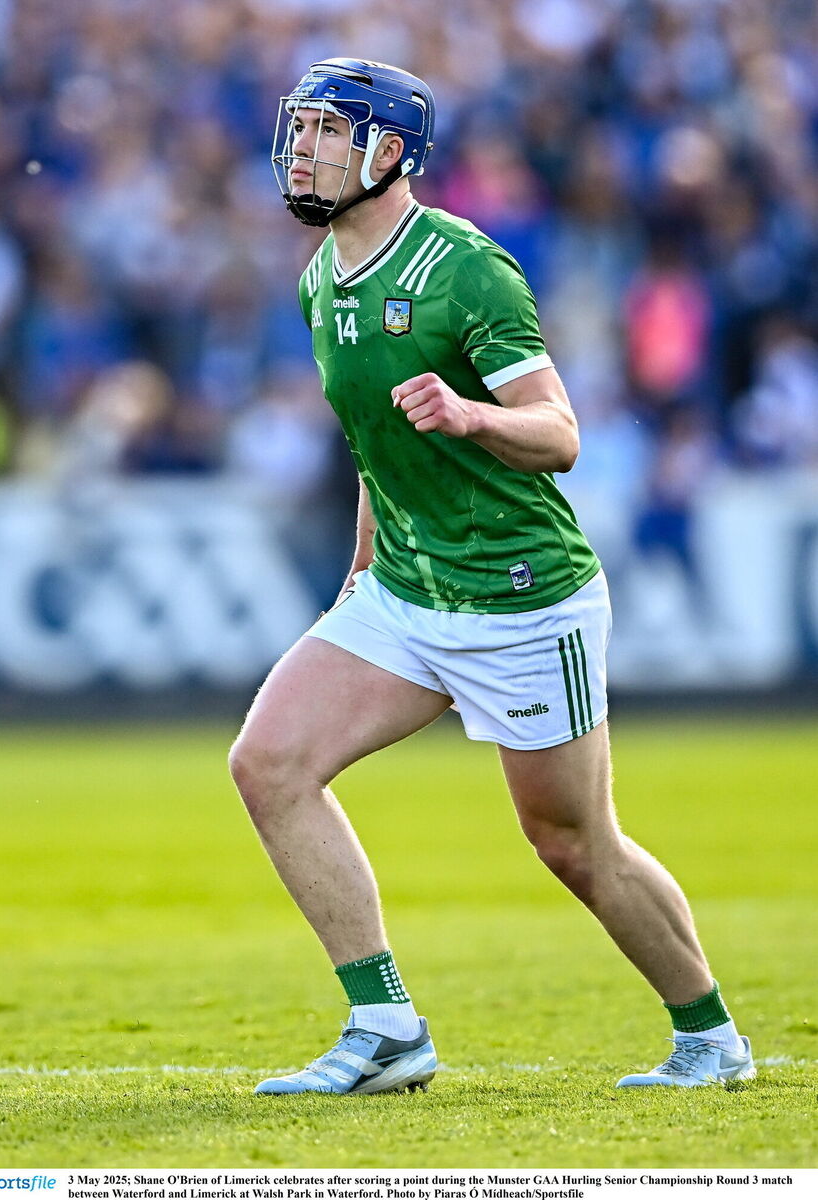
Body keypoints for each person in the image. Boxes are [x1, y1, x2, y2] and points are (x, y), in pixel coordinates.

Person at [228, 59, 755, 1095]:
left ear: (388, 154)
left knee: (570, 844)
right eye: (298, 130)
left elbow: (558, 433)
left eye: (327, 133)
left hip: (520, 598)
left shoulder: (466, 270)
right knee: (267, 764)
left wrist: (471, 415)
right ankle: (384, 1027)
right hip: (407, 593)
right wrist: (362, 570)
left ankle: (709, 1037)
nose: (301, 150)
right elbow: (378, 444)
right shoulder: (318, 277)